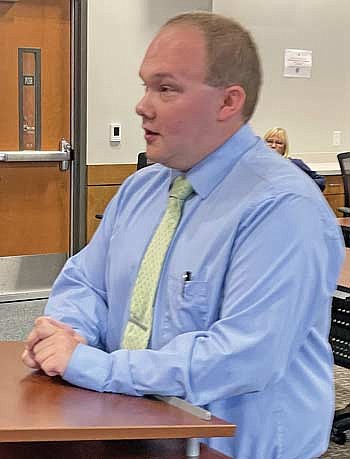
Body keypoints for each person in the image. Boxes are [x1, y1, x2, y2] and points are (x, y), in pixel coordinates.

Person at [22, 11, 344, 459]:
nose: (142, 105)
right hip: (128, 422)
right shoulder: (143, 188)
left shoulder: (283, 209)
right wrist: (67, 334)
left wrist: (93, 366)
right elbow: (87, 282)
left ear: (228, 103)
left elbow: (242, 356)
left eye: (166, 88)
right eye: (145, 85)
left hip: (229, 446)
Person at [264, 127, 326, 191]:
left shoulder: (294, 164)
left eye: (279, 143)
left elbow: (320, 182)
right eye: (269, 141)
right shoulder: (256, 165)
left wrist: (299, 184)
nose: (273, 146)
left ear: (284, 147)